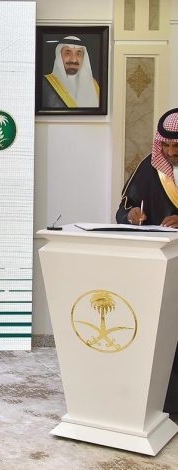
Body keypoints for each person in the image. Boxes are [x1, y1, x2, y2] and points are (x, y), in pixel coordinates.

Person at [116, 108, 178, 413]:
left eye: (177, 146)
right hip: (158, 266)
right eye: (165, 145)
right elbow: (122, 208)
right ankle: (160, 404)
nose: (170, 152)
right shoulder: (149, 167)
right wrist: (131, 215)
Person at [42, 36, 99, 108]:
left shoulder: (95, 85)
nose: (73, 60)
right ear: (59, 56)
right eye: (68, 53)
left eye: (78, 54)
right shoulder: (44, 84)